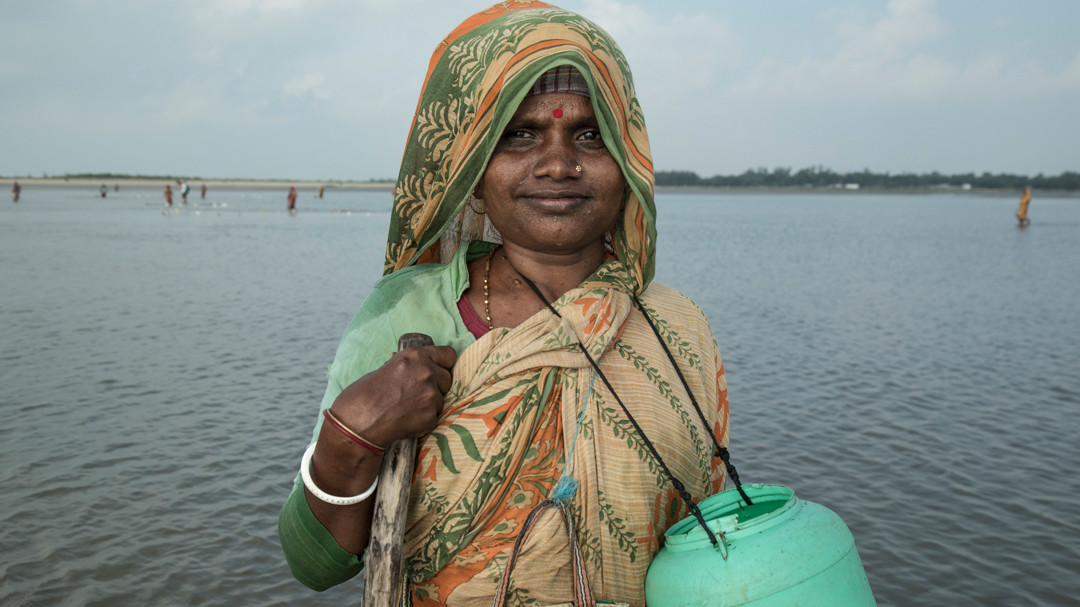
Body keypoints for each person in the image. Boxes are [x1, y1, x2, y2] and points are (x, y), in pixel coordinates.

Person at [278, 4, 731, 606]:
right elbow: (314, 564)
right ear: (470, 165)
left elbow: (714, 537)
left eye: (590, 135)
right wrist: (349, 437)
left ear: (628, 157)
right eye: (519, 135)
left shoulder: (675, 327)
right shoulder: (407, 313)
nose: (558, 163)